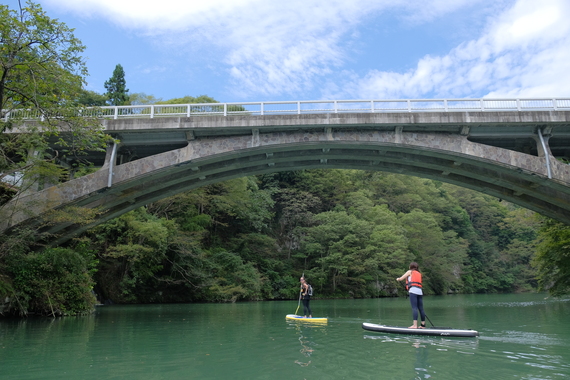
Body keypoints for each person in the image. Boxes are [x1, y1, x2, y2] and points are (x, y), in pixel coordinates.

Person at [396, 262, 426, 329]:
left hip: (413, 291)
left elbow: (401, 278)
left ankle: (415, 325)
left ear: (411, 266)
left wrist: (397, 279)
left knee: (414, 308)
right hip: (420, 291)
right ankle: (423, 325)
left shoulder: (410, 272)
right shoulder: (419, 273)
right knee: (421, 308)